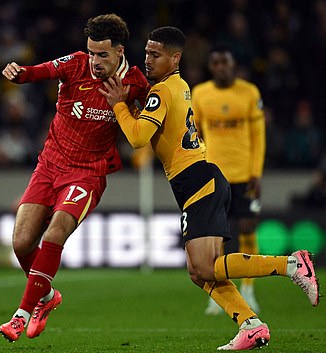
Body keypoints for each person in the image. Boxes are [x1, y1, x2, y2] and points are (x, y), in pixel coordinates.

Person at [99, 26, 319, 351]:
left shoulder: (163, 91)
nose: (147, 59)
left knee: (204, 267)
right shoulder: (180, 86)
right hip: (204, 179)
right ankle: (251, 324)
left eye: (155, 54)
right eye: (146, 52)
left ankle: (291, 265)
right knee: (199, 271)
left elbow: (137, 138)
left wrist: (119, 105)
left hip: (198, 182)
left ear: (175, 58)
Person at [0, 13, 150, 342]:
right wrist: (19, 73)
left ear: (120, 51)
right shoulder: (76, 63)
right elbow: (39, 72)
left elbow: (152, 123)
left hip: (88, 173)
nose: (94, 61)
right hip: (49, 163)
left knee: (54, 235)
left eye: (102, 55)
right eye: (91, 52)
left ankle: (20, 316)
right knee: (22, 242)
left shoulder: (135, 83)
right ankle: (48, 297)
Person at [192, 45, 266, 314]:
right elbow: (195, 134)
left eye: (225, 62)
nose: (221, 67)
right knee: (216, 236)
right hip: (214, 175)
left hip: (245, 174)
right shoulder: (200, 94)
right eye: (216, 63)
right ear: (211, 67)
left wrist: (256, 172)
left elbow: (258, 136)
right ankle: (220, 293)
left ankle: (249, 289)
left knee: (247, 228)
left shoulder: (249, 93)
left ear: (233, 64)